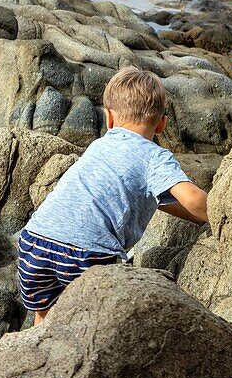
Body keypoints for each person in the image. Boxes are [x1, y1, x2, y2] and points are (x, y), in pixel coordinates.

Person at [18, 66, 209, 325]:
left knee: (46, 316)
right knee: (101, 325)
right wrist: (219, 214)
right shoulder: (154, 157)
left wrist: (195, 218)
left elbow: (153, 197)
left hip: (34, 243)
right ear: (162, 124)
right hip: (87, 253)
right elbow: (195, 200)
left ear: (108, 118)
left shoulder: (99, 146)